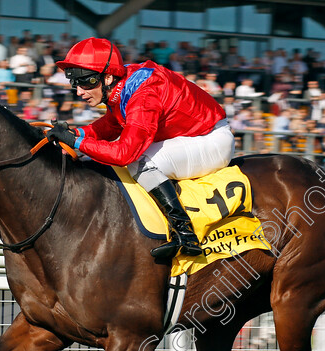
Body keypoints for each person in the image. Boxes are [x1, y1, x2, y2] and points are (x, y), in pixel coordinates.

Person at [48, 37, 234, 259]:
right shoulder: (121, 83)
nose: (79, 92)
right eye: (75, 83)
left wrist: (76, 143)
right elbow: (111, 124)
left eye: (87, 82)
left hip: (212, 139)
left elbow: (124, 154)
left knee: (139, 162)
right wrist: (75, 134)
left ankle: (185, 234)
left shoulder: (143, 94)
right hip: (191, 135)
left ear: (107, 77)